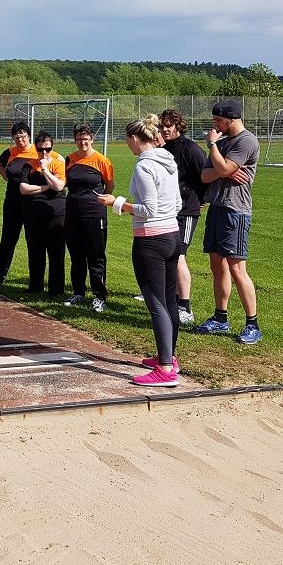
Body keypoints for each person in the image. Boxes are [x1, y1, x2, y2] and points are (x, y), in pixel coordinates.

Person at [100, 115, 183, 387]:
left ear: (135, 139)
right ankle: (169, 357)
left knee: (156, 302)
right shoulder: (169, 161)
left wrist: (116, 203)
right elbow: (177, 204)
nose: (128, 146)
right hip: (172, 235)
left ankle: (166, 368)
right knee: (169, 300)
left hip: (151, 240)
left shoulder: (144, 166)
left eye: (128, 141)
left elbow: (148, 209)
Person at [194, 101, 262, 345]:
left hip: (235, 210)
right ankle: (220, 318)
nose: (214, 125)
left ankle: (252, 324)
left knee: (236, 269)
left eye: (218, 120)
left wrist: (213, 148)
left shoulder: (246, 141)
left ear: (231, 119)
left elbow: (221, 168)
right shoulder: (222, 142)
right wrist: (224, 168)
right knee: (217, 266)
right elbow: (205, 176)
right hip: (216, 207)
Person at [160, 109, 208, 325]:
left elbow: (205, 176)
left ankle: (185, 307)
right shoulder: (164, 149)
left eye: (168, 126)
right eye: (162, 126)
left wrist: (200, 199)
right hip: (168, 210)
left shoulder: (191, 149)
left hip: (186, 211)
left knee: (179, 255)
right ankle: (171, 299)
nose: (164, 130)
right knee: (168, 255)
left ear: (178, 126)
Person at [63, 122, 114, 312]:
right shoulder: (70, 159)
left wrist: (96, 202)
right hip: (73, 213)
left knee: (95, 255)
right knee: (76, 255)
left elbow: (109, 186)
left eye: (85, 139)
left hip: (94, 214)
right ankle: (78, 292)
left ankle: (100, 296)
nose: (82, 143)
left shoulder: (102, 161)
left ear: (92, 139)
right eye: (78, 139)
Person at [15, 132, 66, 297]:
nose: (44, 153)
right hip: (33, 212)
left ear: (52, 148)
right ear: (35, 148)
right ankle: (35, 285)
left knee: (56, 250)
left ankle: (56, 289)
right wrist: (47, 186)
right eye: (40, 149)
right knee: (35, 249)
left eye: (48, 149)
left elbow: (59, 186)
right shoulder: (28, 166)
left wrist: (45, 170)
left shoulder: (58, 163)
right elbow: (24, 189)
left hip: (56, 212)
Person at [0, 121, 37, 287]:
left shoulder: (37, 152)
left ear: (29, 136)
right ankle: (1, 273)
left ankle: (35, 278)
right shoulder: (10, 152)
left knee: (34, 239)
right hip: (12, 201)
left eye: (23, 136)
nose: (20, 139)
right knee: (8, 237)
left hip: (32, 202)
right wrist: (6, 176)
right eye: (17, 137)